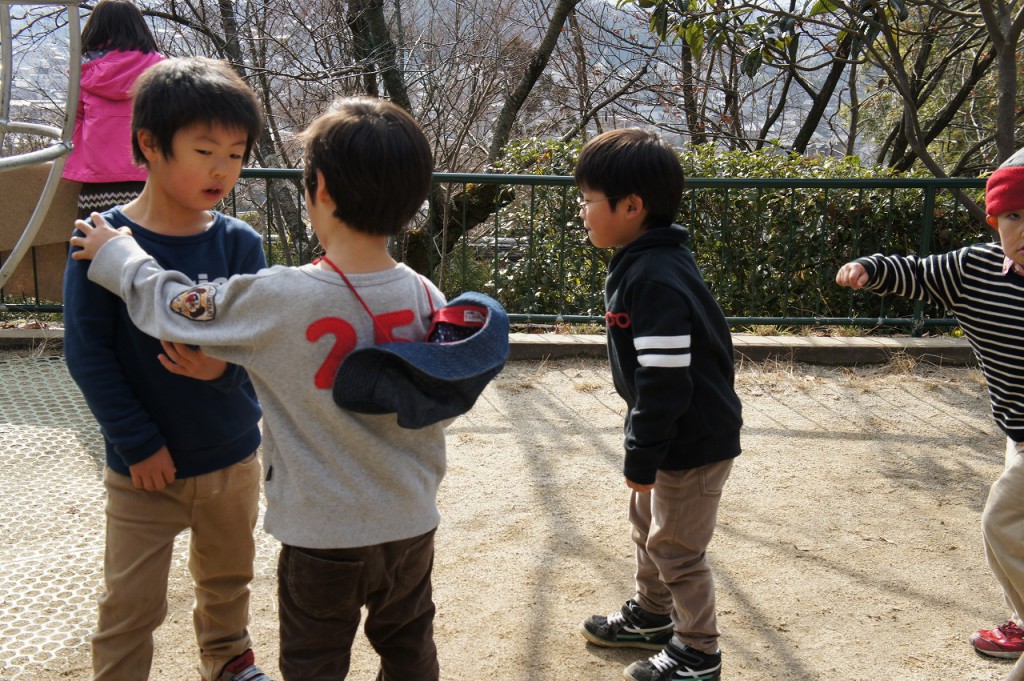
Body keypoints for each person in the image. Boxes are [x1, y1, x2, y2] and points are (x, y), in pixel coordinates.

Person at [69, 96, 463, 681]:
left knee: (314, 660)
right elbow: (440, 403)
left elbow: (177, 307)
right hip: (410, 523)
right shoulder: (430, 297)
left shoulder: (281, 297)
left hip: (322, 535)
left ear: (318, 189)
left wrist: (121, 253)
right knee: (409, 646)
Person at [62, 57, 272, 681]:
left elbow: (257, 341)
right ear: (150, 144)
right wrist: (138, 443)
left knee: (228, 580)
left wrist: (221, 372)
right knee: (130, 603)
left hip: (231, 456)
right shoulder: (100, 242)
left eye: (235, 155)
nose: (221, 170)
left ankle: (228, 663)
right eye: (204, 151)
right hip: (143, 470)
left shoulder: (239, 242)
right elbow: (88, 354)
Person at [836, 148, 1024, 676]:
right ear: (995, 221)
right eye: (1014, 215)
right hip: (1017, 426)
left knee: (1003, 520)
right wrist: (870, 268)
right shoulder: (973, 270)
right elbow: (916, 273)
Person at [575, 129, 742, 681]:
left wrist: (642, 451)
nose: (582, 211)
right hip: (668, 431)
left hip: (691, 439)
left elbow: (666, 380)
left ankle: (698, 651)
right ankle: (652, 616)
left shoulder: (654, 277)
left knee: (675, 547)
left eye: (588, 200)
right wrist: (644, 444)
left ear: (631, 206)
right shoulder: (644, 260)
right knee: (647, 524)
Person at [62, 0, 165, 219]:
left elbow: (73, 122)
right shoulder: (162, 69)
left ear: (95, 28)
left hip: (97, 178)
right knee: (151, 239)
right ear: (138, 27)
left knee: (96, 238)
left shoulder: (83, 71)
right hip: (152, 175)